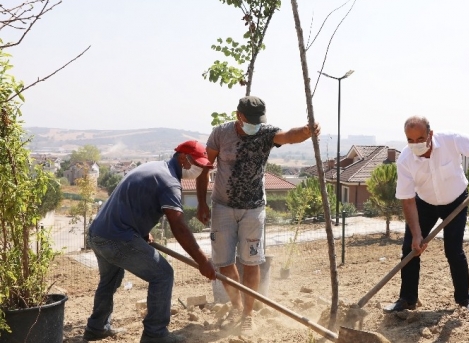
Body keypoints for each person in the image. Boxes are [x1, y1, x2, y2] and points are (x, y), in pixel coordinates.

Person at [195, 96, 320, 335]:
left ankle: (247, 314)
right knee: (224, 263)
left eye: (258, 120)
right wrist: (201, 203)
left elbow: (288, 135)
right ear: (238, 116)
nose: (255, 124)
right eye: (250, 120)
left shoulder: (265, 133)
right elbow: (204, 167)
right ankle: (236, 306)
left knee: (251, 262)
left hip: (253, 209)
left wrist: (306, 131)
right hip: (222, 207)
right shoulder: (220, 133)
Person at [84, 141, 217, 343]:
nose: (199, 170)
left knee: (110, 280)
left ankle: (96, 328)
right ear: (182, 158)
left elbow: (135, 202)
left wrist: (142, 232)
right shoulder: (169, 181)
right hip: (117, 238)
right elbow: (179, 227)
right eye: (197, 164)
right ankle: (155, 334)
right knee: (163, 275)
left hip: (98, 234)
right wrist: (202, 260)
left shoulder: (155, 168)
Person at [383, 116, 469, 313]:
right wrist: (417, 234)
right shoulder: (405, 160)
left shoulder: (450, 140)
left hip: (456, 201)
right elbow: (407, 200)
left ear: (430, 134)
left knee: (453, 250)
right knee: (411, 248)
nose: (415, 144)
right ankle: (407, 299)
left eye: (420, 138)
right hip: (424, 203)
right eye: (410, 140)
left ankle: (463, 299)